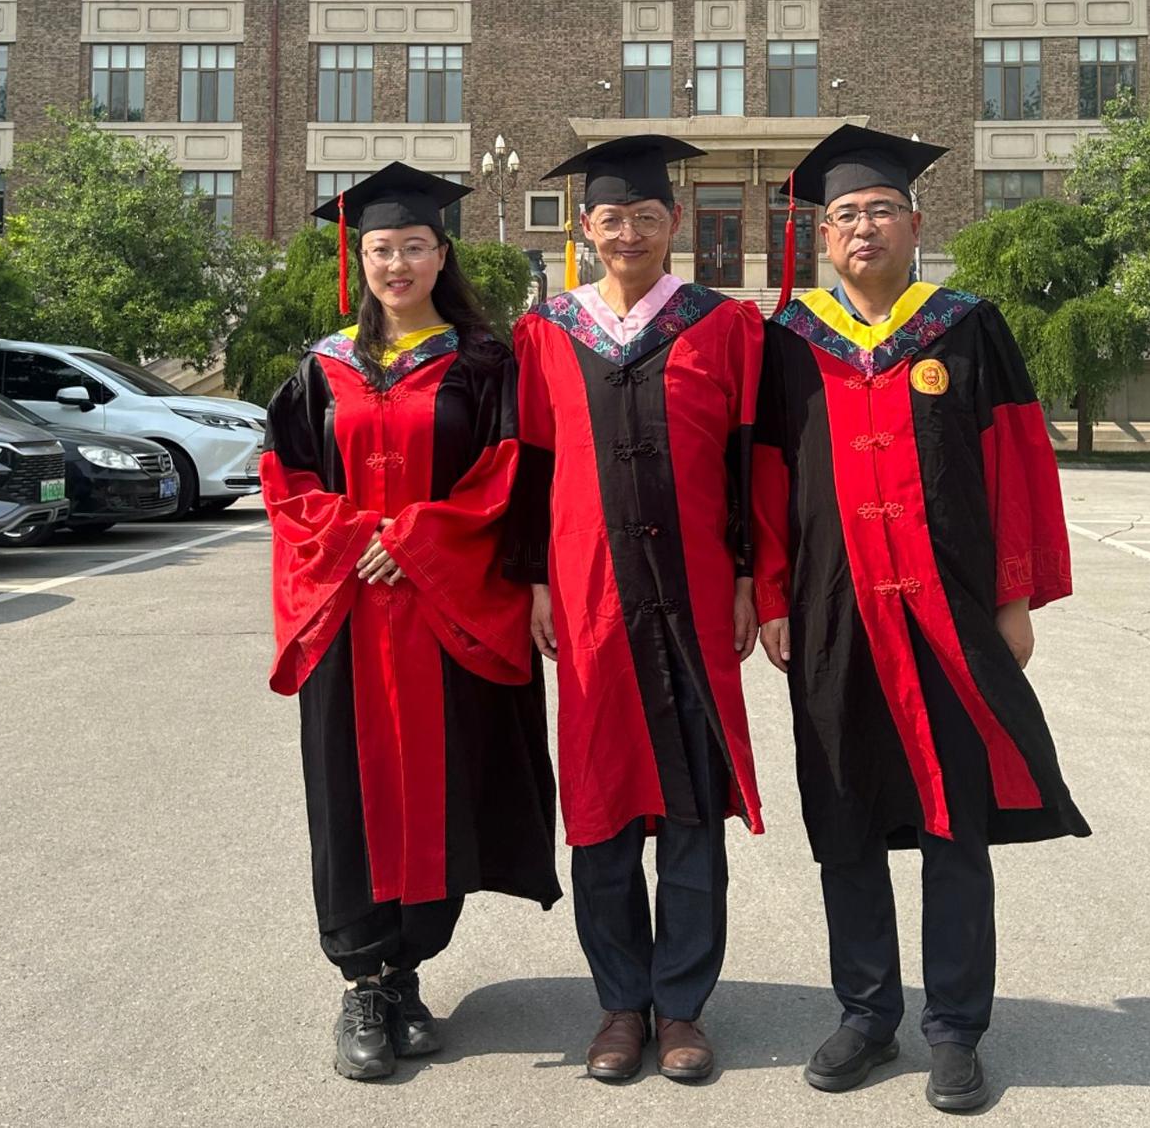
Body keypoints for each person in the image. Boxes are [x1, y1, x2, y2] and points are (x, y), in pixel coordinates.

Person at [753, 126, 1089, 1114]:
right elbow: (763, 480)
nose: (861, 227)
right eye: (843, 215)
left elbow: (1016, 462)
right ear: (822, 236)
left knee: (955, 822)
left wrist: (1013, 598)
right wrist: (769, 596)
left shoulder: (966, 327)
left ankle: (954, 1027)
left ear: (914, 220)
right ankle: (865, 1013)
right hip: (832, 613)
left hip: (949, 614)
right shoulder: (789, 341)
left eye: (878, 210)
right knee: (844, 814)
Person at [261, 162, 560, 1082]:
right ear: (361, 259)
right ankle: (362, 983)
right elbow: (287, 479)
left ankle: (406, 973)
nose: (397, 264)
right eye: (381, 249)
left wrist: (420, 539)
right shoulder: (322, 369)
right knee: (348, 790)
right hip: (349, 612)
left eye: (414, 247)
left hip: (440, 612)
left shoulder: (482, 364)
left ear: (442, 255)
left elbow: (505, 474)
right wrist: (359, 538)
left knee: (446, 784)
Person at [510, 135, 763, 1085]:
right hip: (590, 600)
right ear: (586, 228)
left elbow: (748, 465)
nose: (629, 232)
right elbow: (529, 467)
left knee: (693, 808)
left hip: (694, 597)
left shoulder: (724, 327)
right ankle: (621, 1004)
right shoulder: (548, 333)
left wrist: (748, 579)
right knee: (602, 800)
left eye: (646, 217)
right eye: (612, 218)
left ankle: (683, 1008)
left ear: (674, 224)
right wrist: (536, 581)